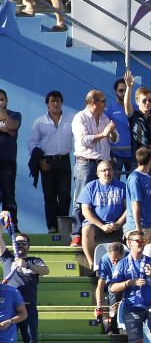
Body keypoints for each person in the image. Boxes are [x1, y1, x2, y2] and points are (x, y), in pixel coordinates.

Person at [0, 233, 50, 343]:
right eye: (18, 242)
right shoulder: (7, 258)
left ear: (28, 245)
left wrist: (27, 265)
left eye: (24, 243)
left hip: (28, 309)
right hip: (9, 311)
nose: (20, 245)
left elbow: (46, 270)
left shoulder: (34, 260)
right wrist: (3, 220)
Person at [71, 90, 119, 247]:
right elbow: (83, 140)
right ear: (93, 102)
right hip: (86, 163)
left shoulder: (105, 118)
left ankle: (103, 228)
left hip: (103, 164)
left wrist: (111, 134)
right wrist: (104, 134)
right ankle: (76, 235)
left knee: (105, 197)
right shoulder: (80, 117)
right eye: (103, 101)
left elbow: (115, 139)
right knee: (80, 200)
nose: (105, 104)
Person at [27, 91, 73, 234]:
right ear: (47, 103)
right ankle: (52, 227)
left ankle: (63, 225)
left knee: (65, 195)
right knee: (50, 196)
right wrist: (39, 161)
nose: (55, 103)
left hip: (64, 160)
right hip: (47, 162)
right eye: (52, 101)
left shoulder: (70, 118)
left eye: (58, 100)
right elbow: (32, 142)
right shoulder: (40, 122)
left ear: (62, 103)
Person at [77, 160, 126, 269]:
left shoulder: (122, 187)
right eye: (103, 170)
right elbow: (85, 211)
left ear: (113, 172)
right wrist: (102, 226)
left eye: (109, 170)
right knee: (86, 230)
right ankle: (92, 264)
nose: (106, 173)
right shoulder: (90, 187)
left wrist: (118, 223)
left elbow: (129, 209)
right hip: (97, 226)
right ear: (98, 173)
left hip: (117, 225)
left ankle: (129, 265)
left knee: (132, 229)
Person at [124, 147, 151, 238]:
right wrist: (138, 228)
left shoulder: (148, 176)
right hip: (138, 227)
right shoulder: (135, 178)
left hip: (149, 225)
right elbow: (135, 204)